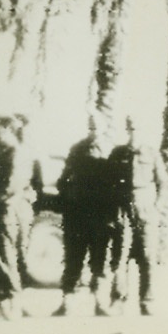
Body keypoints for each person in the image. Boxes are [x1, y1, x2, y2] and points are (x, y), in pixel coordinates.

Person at [0, 115, 39, 320]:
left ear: (9, 131)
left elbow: (12, 185)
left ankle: (13, 303)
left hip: (7, 209)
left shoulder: (16, 154)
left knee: (7, 255)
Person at [52, 116, 116, 316]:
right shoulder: (77, 149)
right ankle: (67, 302)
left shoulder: (111, 151)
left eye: (97, 127)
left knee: (99, 260)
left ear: (104, 128)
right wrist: (70, 199)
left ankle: (99, 303)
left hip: (100, 215)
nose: (93, 131)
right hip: (77, 214)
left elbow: (117, 184)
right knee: (73, 258)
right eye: (90, 127)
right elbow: (62, 180)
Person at [107, 115, 165, 316]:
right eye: (130, 129)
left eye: (137, 129)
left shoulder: (151, 153)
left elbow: (163, 182)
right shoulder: (118, 153)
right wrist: (113, 208)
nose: (133, 133)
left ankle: (147, 301)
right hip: (123, 208)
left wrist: (157, 205)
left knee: (148, 256)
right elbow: (109, 182)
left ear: (143, 131)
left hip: (146, 207)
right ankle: (118, 299)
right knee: (119, 256)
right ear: (127, 130)